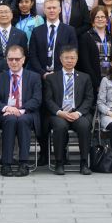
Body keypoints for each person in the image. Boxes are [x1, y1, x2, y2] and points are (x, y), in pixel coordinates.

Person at [44, 46, 94, 175]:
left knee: (84, 125)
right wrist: (60, 113)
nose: (69, 60)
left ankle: (84, 162)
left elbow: (89, 99)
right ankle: (59, 162)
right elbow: (48, 100)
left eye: (73, 58)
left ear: (77, 59)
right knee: (60, 126)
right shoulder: (51, 78)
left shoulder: (85, 77)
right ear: (61, 59)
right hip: (59, 114)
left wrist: (78, 113)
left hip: (78, 113)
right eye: (66, 58)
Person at [0, 45, 41, 177]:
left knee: (22, 120)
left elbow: (37, 99)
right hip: (7, 113)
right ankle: (6, 164)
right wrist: (7, 108)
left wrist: (21, 110)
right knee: (10, 120)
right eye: (10, 59)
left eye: (17, 59)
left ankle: (24, 163)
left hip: (27, 113)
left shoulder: (34, 77)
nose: (14, 62)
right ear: (6, 60)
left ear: (23, 60)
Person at [28, 0, 78, 75]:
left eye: (54, 8)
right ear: (44, 10)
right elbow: (32, 55)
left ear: (59, 10)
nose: (51, 10)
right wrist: (42, 73)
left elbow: (73, 54)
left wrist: (57, 73)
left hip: (61, 75)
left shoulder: (69, 30)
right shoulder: (36, 31)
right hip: (40, 75)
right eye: (49, 8)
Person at [78, 6, 112, 89]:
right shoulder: (85, 37)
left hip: (111, 80)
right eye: (97, 17)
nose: (100, 19)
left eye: (103, 17)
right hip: (93, 81)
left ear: (107, 20)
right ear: (93, 21)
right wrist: (96, 82)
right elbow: (85, 63)